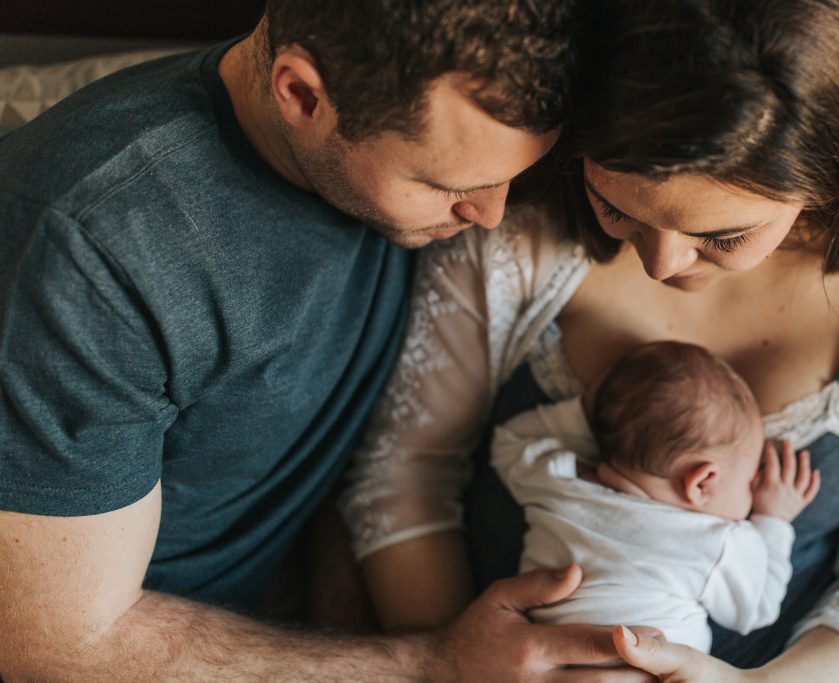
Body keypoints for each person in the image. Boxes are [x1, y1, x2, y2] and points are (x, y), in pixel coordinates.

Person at [339, 0, 839, 681]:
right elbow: (407, 477)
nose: (660, 265)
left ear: (823, 178)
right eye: (617, 208)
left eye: (722, 237)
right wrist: (461, 658)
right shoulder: (519, 229)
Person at [0, 2, 659, 680]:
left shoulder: (407, 151)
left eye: (510, 176)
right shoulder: (93, 252)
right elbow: (53, 643)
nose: (491, 213)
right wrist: (432, 663)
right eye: (448, 184)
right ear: (302, 96)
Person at [491, 340, 821, 649]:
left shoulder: (556, 479)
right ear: (702, 482)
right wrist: (773, 518)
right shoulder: (716, 543)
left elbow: (507, 441)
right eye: (749, 480)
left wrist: (585, 411)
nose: (752, 491)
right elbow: (758, 608)